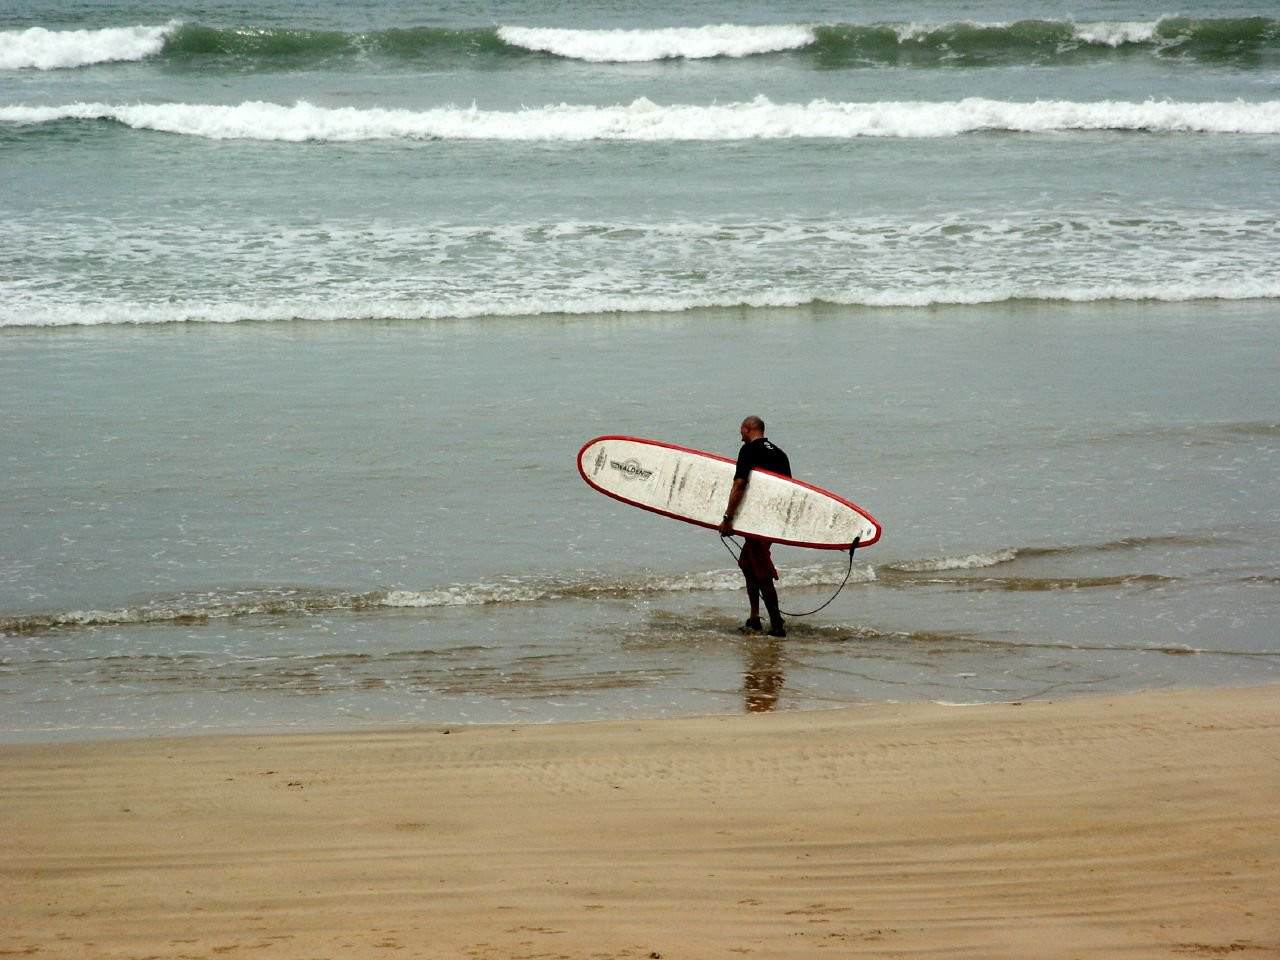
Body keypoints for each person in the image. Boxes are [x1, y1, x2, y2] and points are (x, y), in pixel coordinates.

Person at [718, 415, 791, 637]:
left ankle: (777, 625)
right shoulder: (780, 453)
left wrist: (728, 518)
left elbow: (740, 484)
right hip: (773, 519)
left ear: (748, 429)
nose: (740, 437)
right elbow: (790, 490)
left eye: (741, 432)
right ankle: (754, 617)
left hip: (759, 521)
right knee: (747, 563)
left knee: (760, 572)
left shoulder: (749, 451)